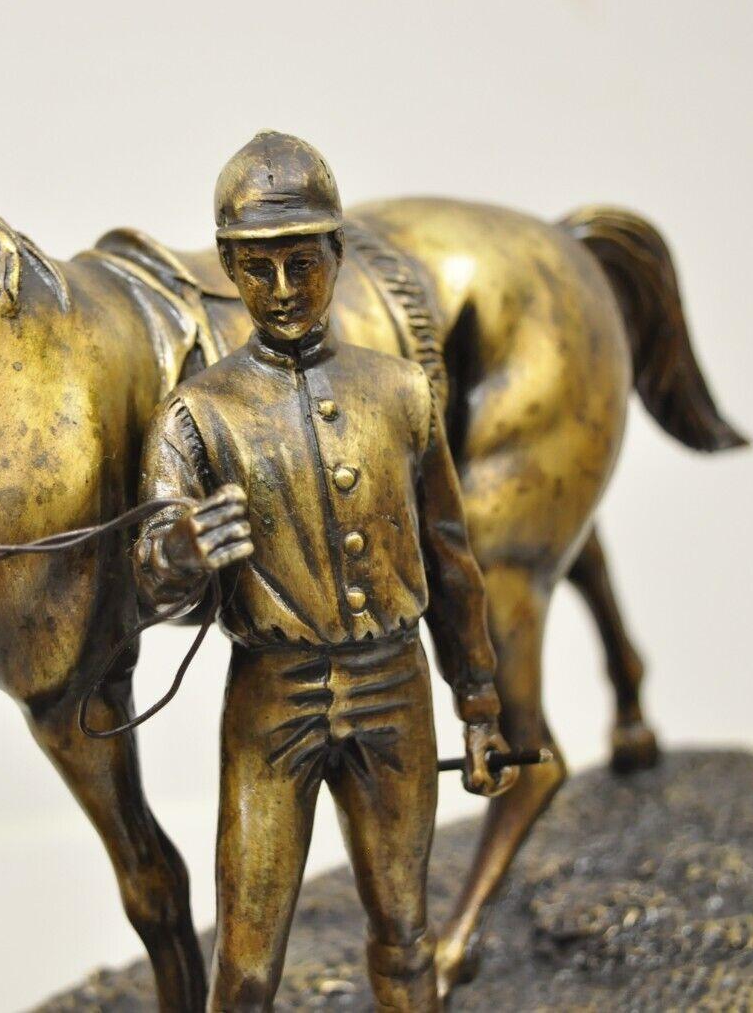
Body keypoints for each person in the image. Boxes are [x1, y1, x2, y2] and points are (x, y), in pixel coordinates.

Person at [133, 131, 516, 1011]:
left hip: (395, 687)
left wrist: (481, 706)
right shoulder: (196, 415)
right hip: (273, 700)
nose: (280, 292)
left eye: (301, 264)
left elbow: (453, 562)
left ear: (337, 253)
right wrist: (179, 557)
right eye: (257, 269)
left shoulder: (403, 392)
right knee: (249, 961)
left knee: (406, 937)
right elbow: (151, 569)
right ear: (228, 265)